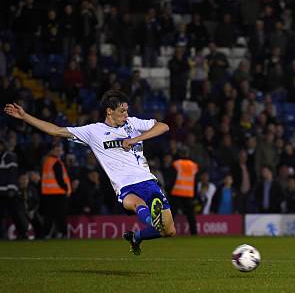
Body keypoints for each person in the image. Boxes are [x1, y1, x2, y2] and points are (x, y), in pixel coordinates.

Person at [4, 90, 175, 255]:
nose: (126, 114)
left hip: (148, 181)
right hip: (125, 186)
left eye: (127, 110)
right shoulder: (93, 132)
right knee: (137, 204)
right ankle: (152, 220)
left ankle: (136, 237)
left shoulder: (132, 123)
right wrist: (25, 116)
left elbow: (163, 126)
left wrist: (135, 139)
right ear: (109, 111)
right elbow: (56, 130)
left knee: (169, 231)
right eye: (122, 111)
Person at [40, 142, 72, 239]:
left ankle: (46, 234)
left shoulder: (47, 161)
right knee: (60, 215)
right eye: (57, 150)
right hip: (58, 192)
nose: (60, 152)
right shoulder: (56, 162)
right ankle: (63, 233)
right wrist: (66, 188)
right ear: (52, 151)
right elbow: (59, 178)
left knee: (49, 215)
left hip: (47, 192)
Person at [169, 148, 199, 235]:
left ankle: (168, 231)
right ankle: (194, 233)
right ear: (188, 154)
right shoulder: (194, 166)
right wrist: (195, 195)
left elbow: (172, 179)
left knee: (172, 215)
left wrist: (169, 191)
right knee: (191, 216)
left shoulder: (176, 164)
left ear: (180, 154)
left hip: (176, 193)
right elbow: (196, 182)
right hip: (188, 194)